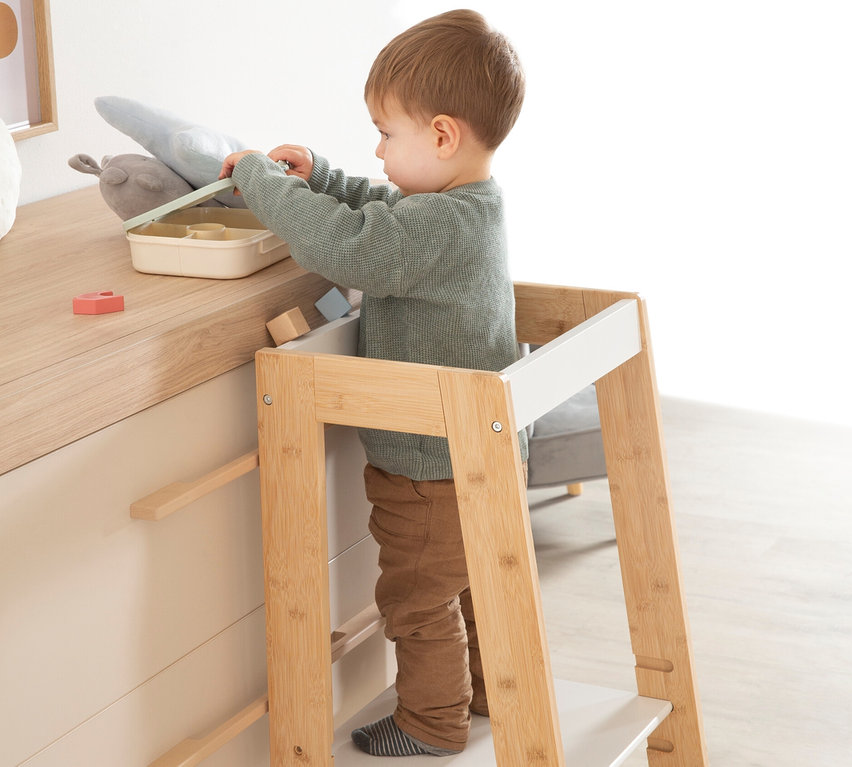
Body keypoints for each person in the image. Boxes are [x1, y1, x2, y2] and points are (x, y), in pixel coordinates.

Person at [219, 9, 526, 756]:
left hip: (427, 470)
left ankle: (431, 722)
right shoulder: (464, 208)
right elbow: (383, 209)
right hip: (476, 455)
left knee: (417, 600)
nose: (378, 149)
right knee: (474, 588)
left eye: (388, 133)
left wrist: (261, 179)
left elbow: (349, 247)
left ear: (443, 136)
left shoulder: (436, 227)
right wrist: (322, 175)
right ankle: (485, 693)